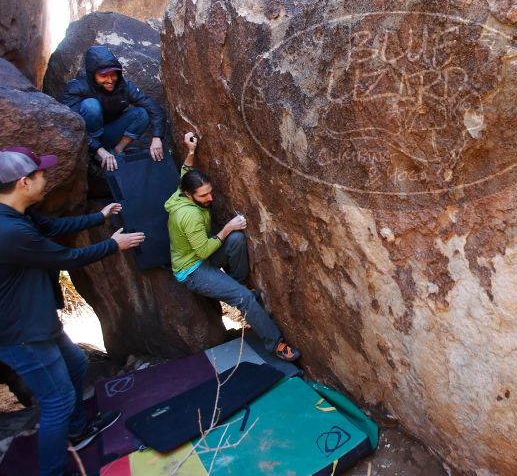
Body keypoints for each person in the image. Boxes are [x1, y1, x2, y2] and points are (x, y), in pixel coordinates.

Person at [0, 146, 146, 476]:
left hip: (37, 321)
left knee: (77, 363)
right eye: (40, 174)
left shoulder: (18, 214)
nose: (45, 177)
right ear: (23, 183)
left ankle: (79, 430)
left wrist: (100, 216)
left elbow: (51, 228)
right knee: (57, 401)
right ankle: (53, 470)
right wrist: (114, 244)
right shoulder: (9, 232)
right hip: (21, 333)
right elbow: (65, 259)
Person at [165, 132, 300, 361]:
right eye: (204, 195)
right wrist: (227, 227)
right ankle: (276, 344)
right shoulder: (188, 216)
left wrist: (190, 151)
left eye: (210, 191)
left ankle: (236, 284)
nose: (210, 198)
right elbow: (203, 252)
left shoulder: (182, 192)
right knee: (244, 298)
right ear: (190, 196)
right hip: (193, 270)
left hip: (201, 253)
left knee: (236, 241)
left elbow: (186, 173)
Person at [59, 45, 166, 172]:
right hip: (86, 137)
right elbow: (71, 126)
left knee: (142, 114)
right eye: (104, 76)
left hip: (109, 133)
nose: (110, 80)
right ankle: (98, 154)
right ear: (93, 75)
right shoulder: (77, 87)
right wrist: (99, 149)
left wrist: (157, 138)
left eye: (113, 74)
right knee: (91, 105)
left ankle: (117, 152)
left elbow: (154, 108)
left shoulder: (124, 86)